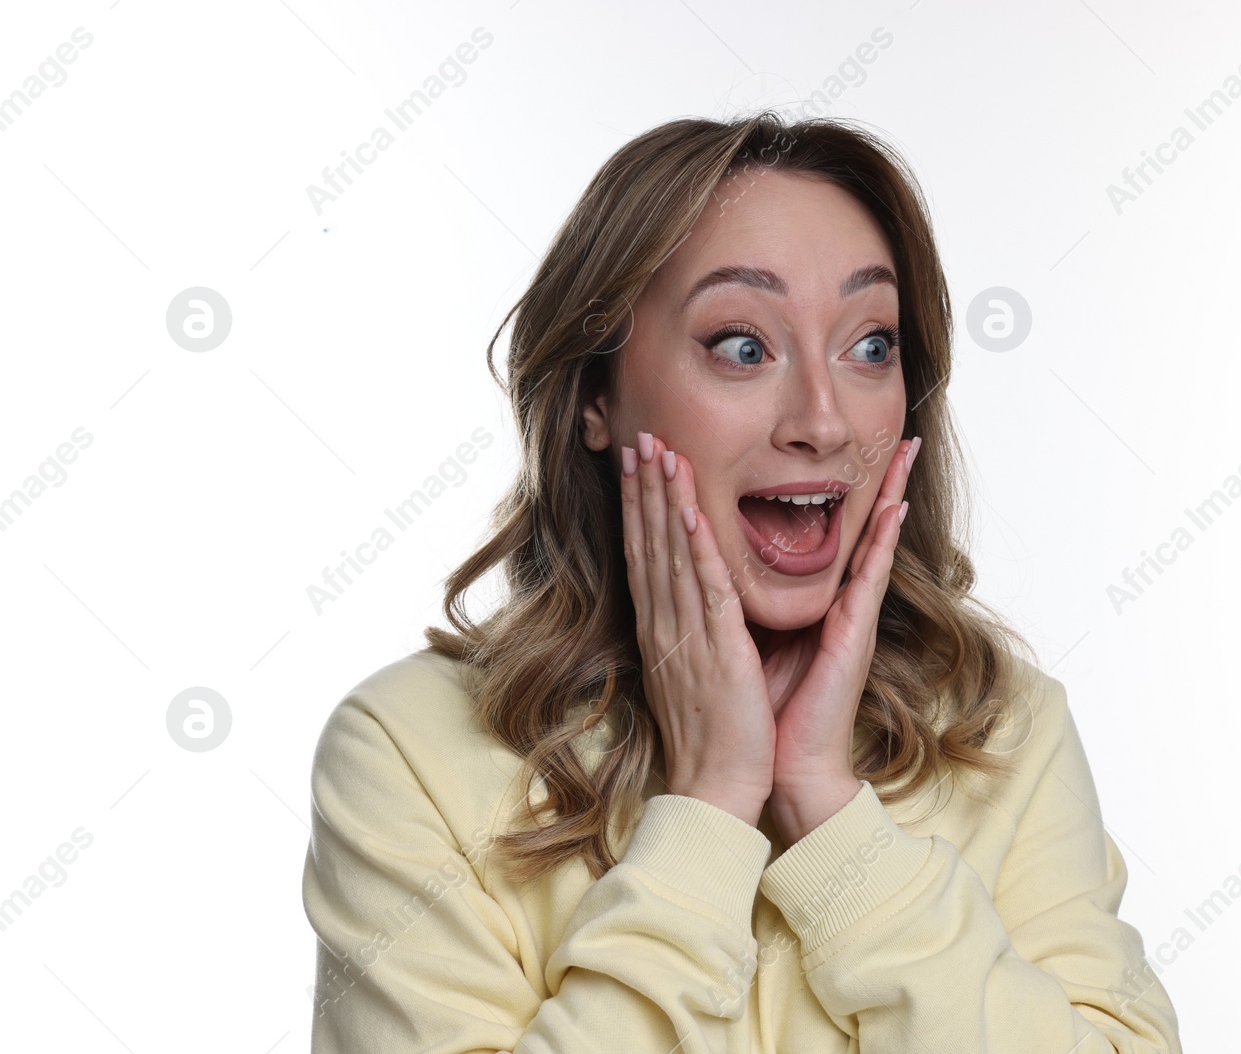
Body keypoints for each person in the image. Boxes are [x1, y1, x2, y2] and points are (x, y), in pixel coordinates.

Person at [301, 110, 1183, 1053]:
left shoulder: (1006, 729)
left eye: (870, 344)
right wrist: (710, 811)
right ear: (595, 396)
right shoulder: (406, 751)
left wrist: (834, 820)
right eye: (743, 345)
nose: (824, 419)